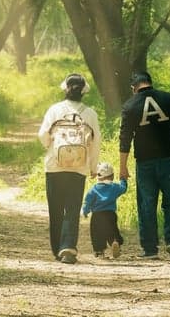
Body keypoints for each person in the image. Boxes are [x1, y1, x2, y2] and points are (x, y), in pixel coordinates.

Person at [119, 70, 170, 259]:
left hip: (145, 162)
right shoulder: (169, 99)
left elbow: (125, 139)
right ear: (150, 82)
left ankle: (150, 249)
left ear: (133, 88)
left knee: (146, 205)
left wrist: (123, 166)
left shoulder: (130, 105)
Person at [38, 72, 101, 264]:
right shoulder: (90, 113)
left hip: (54, 166)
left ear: (65, 89)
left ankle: (57, 249)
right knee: (72, 209)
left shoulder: (54, 110)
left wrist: (50, 146)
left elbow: (42, 135)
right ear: (84, 91)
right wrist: (92, 167)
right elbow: (95, 142)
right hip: (78, 168)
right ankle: (68, 247)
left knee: (55, 209)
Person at [82, 161, 127, 259]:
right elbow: (123, 188)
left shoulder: (94, 189)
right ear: (112, 176)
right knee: (112, 230)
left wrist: (85, 211)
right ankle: (115, 242)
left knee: (97, 233)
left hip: (97, 215)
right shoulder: (114, 187)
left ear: (98, 176)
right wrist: (123, 179)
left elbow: (87, 201)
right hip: (110, 213)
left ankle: (99, 251)